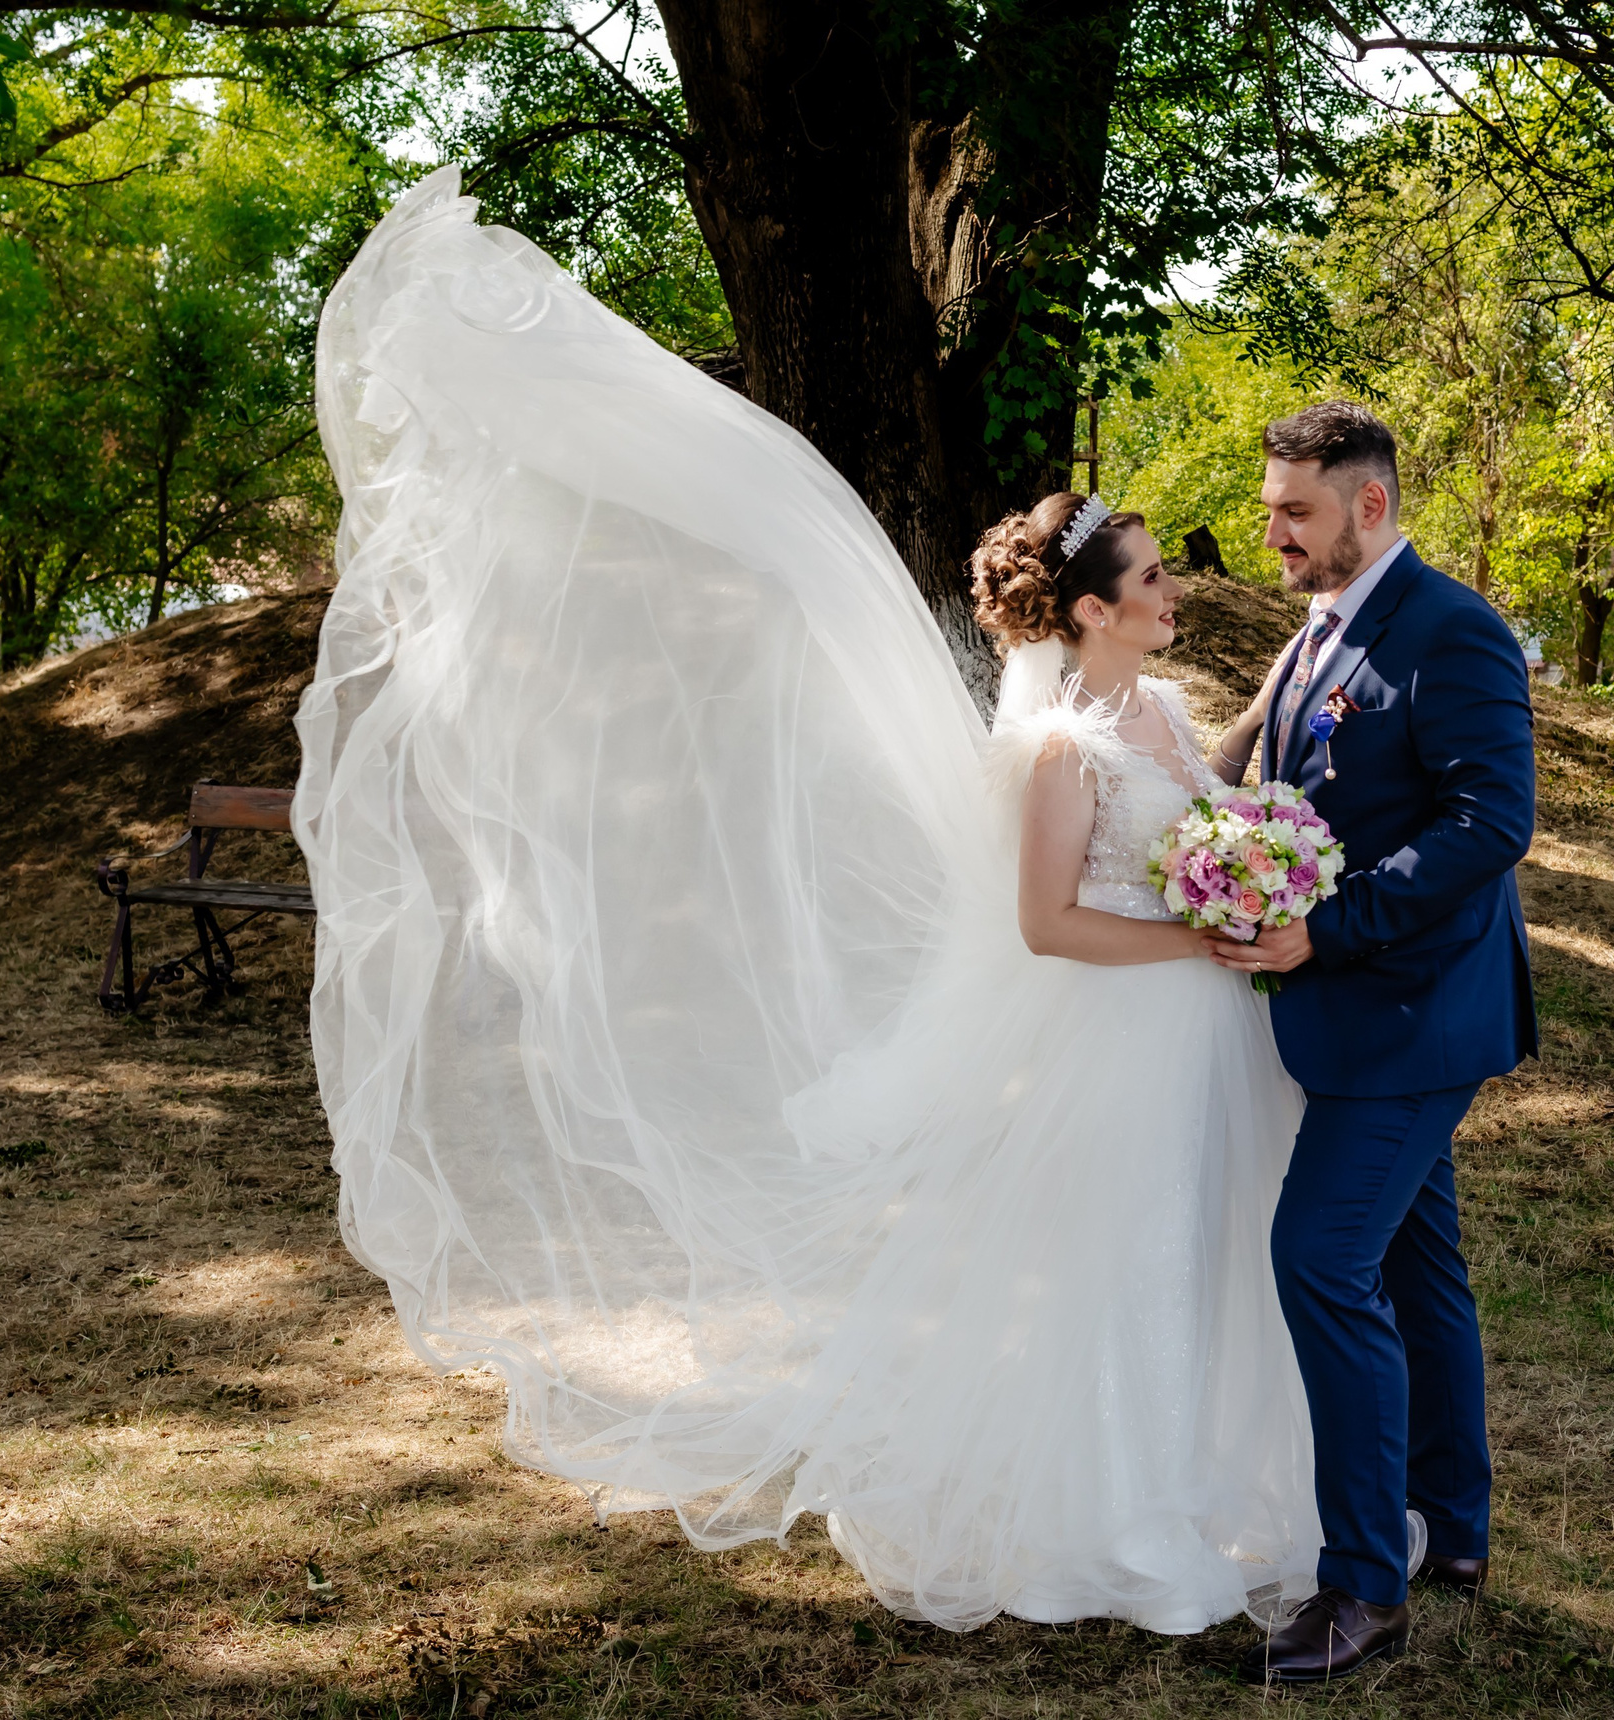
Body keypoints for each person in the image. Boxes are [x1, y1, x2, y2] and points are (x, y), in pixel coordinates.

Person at [296, 168, 1371, 1635]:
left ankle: (1201, 1482)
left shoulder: (1171, 715)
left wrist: (1265, 850)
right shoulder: (1055, 751)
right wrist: (1202, 928)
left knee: (1214, 1255)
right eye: (1151, 577)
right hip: (1121, 1037)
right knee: (1132, 1265)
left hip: (1209, 1033)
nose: (1176, 588)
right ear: (1091, 610)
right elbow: (1046, 925)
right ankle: (1118, 1515)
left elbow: (1211, 805)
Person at [1203, 403, 1539, 1680]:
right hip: (1359, 1012)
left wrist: (1327, 929)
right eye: (1272, 509)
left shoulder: (1452, 629)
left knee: (1318, 1257)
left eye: (1296, 511)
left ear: (1371, 503)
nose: (1273, 534)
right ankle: (1451, 1529)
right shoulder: (1317, 628)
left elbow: (1490, 822)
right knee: (1416, 1264)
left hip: (1415, 1009)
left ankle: (1361, 1587)